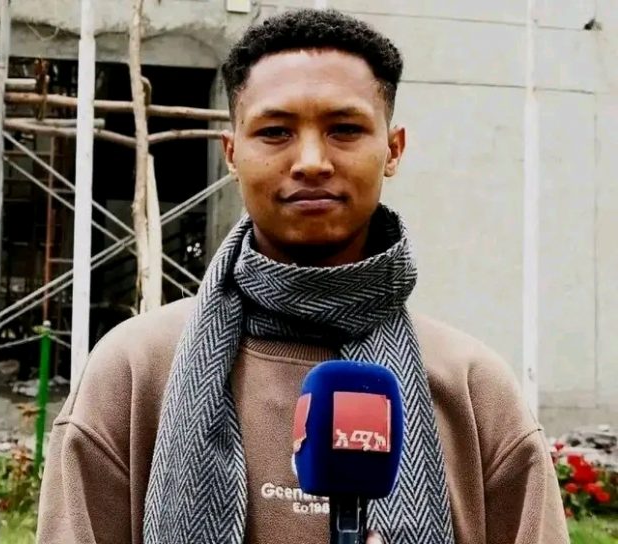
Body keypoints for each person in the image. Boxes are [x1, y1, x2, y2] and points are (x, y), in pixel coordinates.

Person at [37, 8, 568, 544]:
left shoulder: (474, 390)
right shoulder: (133, 374)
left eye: (345, 129)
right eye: (275, 132)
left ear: (393, 150)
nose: (311, 161)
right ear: (232, 153)